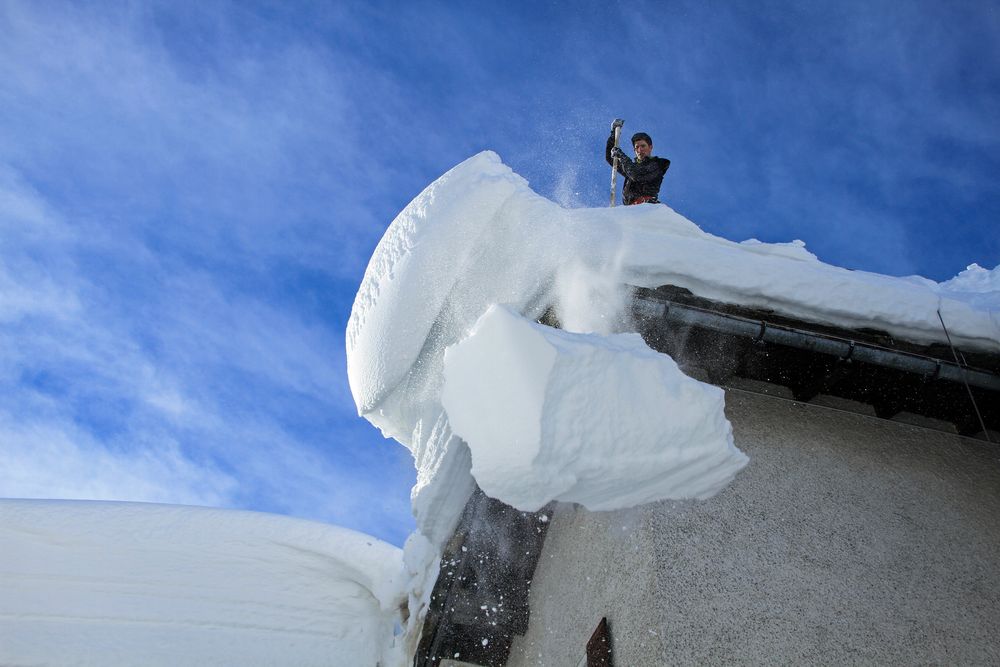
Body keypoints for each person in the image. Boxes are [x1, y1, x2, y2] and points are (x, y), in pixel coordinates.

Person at [606, 121, 671, 205]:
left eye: (643, 146)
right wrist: (613, 135)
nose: (640, 150)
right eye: (637, 147)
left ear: (650, 147)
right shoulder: (630, 168)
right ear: (634, 150)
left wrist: (621, 156)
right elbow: (611, 158)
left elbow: (636, 175)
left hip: (646, 207)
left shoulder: (658, 164)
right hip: (631, 209)